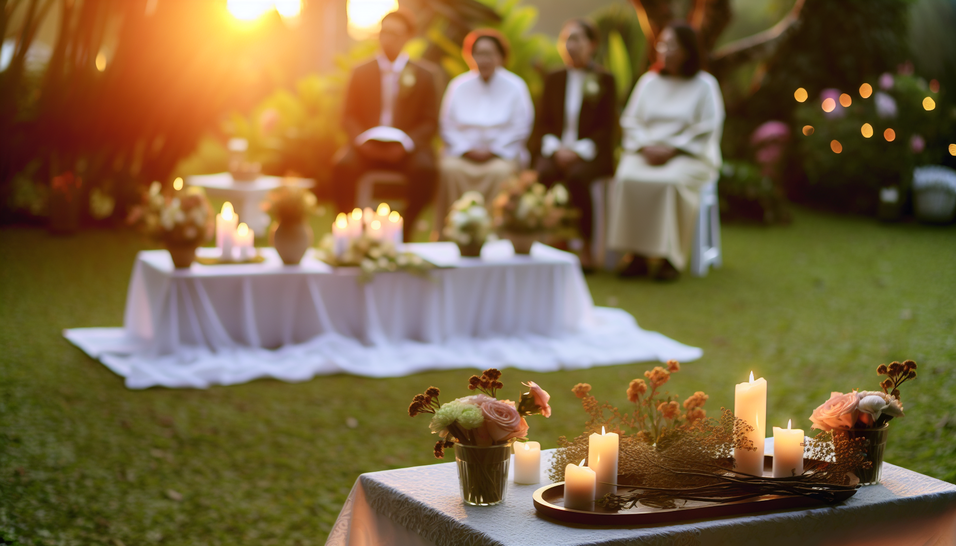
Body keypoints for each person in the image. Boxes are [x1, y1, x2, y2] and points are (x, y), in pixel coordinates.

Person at [608, 22, 724, 281]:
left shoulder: (705, 85)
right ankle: (636, 254)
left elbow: (708, 126)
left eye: (672, 45)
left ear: (688, 51)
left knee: (669, 183)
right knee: (628, 179)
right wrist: (646, 146)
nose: (665, 51)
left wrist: (673, 148)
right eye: (662, 44)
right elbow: (631, 120)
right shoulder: (648, 82)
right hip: (646, 151)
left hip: (688, 155)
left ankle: (669, 258)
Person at [331, 8, 438, 241]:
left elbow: (429, 121)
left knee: (426, 169)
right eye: (384, 32)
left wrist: (406, 145)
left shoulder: (424, 75)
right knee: (342, 166)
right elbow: (348, 116)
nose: (388, 38)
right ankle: (351, 229)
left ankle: (405, 230)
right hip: (366, 148)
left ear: (408, 36)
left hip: (405, 149)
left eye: (395, 33)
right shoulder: (360, 72)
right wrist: (362, 143)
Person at [531, 18, 617, 271]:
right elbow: (543, 122)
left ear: (592, 44)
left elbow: (607, 127)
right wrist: (557, 149)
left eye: (577, 39)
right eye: (567, 39)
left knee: (578, 178)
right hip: (556, 148)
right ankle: (549, 240)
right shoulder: (554, 78)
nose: (571, 45)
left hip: (591, 153)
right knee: (544, 173)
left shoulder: (604, 79)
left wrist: (577, 151)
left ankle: (586, 245)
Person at [436, 29, 534, 230]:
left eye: (490, 54)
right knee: (449, 169)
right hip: (463, 154)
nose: (484, 59)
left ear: (500, 57)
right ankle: (453, 229)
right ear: (471, 56)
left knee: (501, 173)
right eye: (479, 53)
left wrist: (494, 150)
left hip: (500, 155)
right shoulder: (459, 86)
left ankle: (493, 231)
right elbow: (447, 124)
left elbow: (520, 126)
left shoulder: (515, 86)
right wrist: (466, 149)